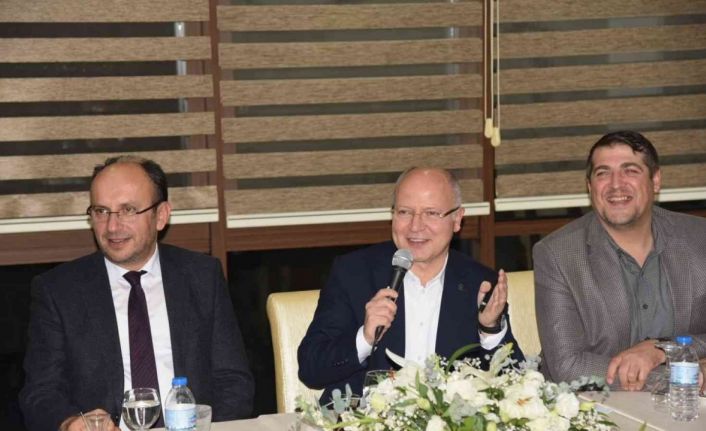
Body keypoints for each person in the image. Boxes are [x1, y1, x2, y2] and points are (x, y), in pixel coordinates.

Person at [20, 156, 254, 431]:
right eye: (101, 211)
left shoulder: (202, 276)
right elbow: (40, 392)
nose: (112, 226)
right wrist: (71, 422)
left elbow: (233, 380)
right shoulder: (59, 290)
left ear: (161, 216)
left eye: (128, 210)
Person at [298, 167, 523, 403]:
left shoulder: (480, 283)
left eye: (431, 213)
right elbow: (310, 369)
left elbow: (516, 386)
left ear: (457, 219)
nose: (415, 226)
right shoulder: (353, 273)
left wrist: (490, 330)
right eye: (405, 212)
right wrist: (364, 338)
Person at [533, 130, 706, 392]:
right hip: (597, 406)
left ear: (655, 181)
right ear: (590, 187)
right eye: (603, 173)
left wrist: (662, 350)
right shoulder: (558, 254)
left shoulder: (699, 238)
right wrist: (686, 375)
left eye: (630, 171)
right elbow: (568, 367)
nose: (616, 184)